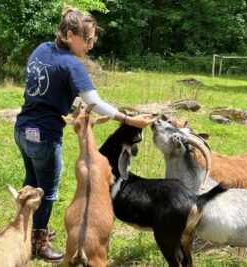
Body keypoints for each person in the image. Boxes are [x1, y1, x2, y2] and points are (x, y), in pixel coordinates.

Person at [14, 6, 155, 262]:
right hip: (45, 135)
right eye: (87, 39)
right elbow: (94, 102)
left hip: (24, 130)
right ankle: (38, 242)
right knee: (47, 191)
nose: (90, 46)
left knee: (32, 181)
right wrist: (128, 118)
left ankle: (26, 231)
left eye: (93, 40)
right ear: (69, 34)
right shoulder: (72, 66)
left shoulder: (42, 48)